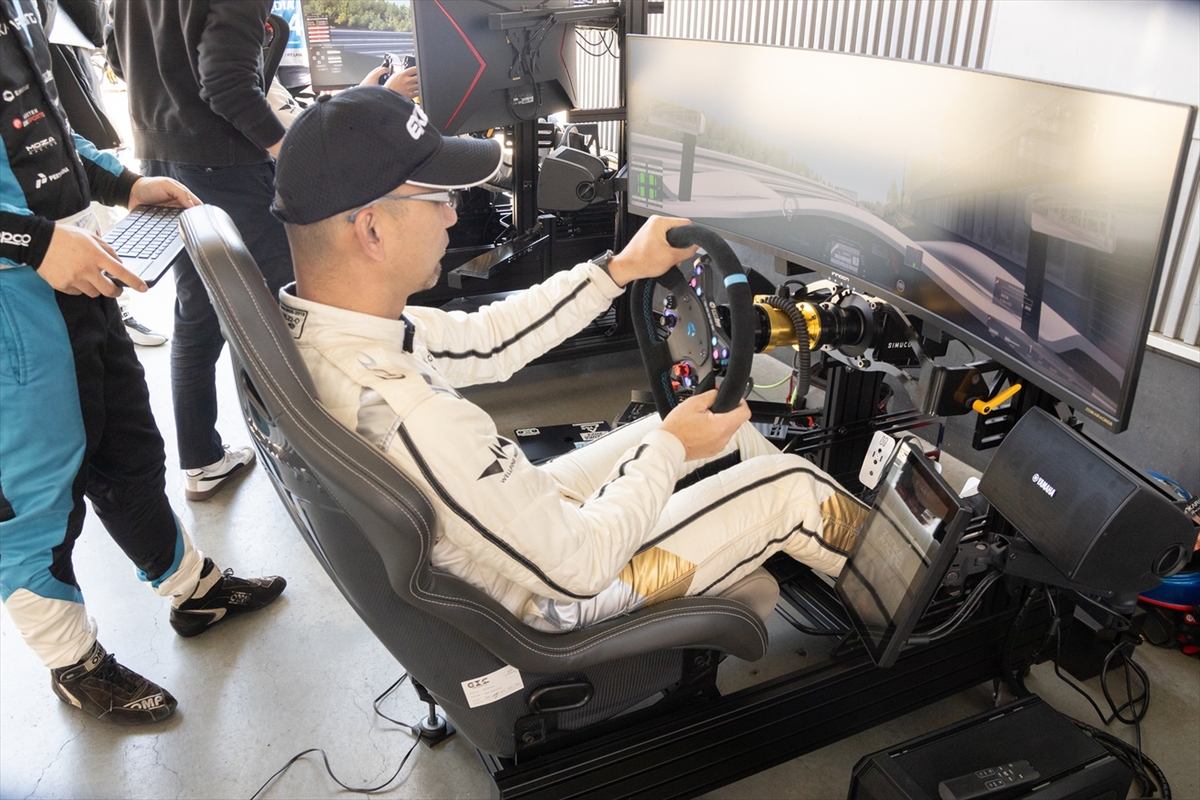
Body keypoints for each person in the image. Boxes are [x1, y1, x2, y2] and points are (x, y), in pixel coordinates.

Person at [270, 87, 867, 632]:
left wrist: (618, 269)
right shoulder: (406, 410)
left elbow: (489, 340)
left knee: (727, 434)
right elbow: (579, 567)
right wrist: (670, 448)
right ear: (372, 230)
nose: (453, 213)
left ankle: (808, 554)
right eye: (439, 198)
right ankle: (900, 596)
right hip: (556, 597)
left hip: (512, 530)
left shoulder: (341, 333)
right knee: (792, 487)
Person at [1, 0, 285, 725]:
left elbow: (43, 133)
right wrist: (33, 244)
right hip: (15, 304)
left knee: (130, 450)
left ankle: (194, 591)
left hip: (79, 267)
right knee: (36, 499)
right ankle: (73, 664)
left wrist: (122, 183)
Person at [106, 0, 292, 500]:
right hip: (226, 163)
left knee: (197, 312)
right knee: (288, 306)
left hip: (159, 159)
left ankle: (203, 462)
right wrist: (289, 151)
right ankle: (317, 463)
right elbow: (227, 83)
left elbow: (116, 54)